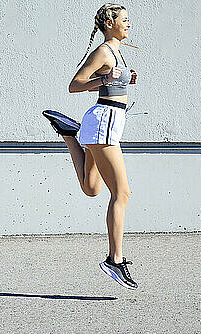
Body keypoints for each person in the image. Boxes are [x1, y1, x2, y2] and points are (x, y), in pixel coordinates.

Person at [64, 3, 138, 289]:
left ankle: (71, 135)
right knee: (122, 193)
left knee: (92, 188)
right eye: (125, 20)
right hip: (104, 120)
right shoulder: (104, 52)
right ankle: (115, 260)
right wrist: (105, 78)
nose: (129, 24)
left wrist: (122, 81)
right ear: (110, 24)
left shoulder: (116, 51)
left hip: (107, 122)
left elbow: (107, 83)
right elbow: (75, 84)